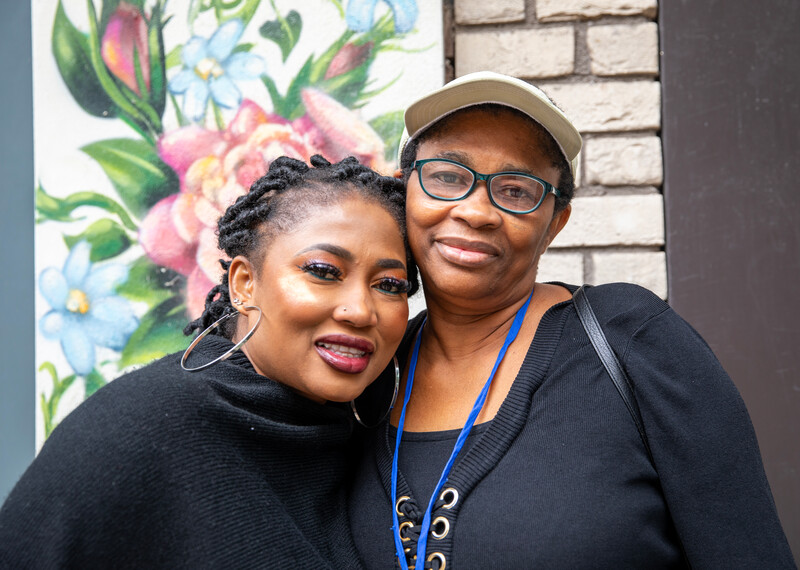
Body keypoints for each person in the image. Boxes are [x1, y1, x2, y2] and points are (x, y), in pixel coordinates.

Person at [347, 72, 796, 569]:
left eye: (517, 191)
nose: (476, 212)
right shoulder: (367, 371)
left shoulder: (631, 341)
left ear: (555, 223)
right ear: (406, 189)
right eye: (448, 176)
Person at [0, 155, 418, 568]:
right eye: (324, 271)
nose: (361, 311)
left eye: (389, 285)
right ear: (244, 284)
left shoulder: (374, 442)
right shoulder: (141, 425)